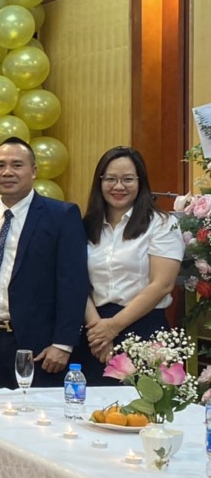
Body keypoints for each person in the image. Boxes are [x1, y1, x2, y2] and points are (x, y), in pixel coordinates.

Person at [0, 137, 90, 389]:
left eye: (17, 165)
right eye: (0, 165)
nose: (7, 172)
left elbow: (73, 282)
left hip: (39, 346)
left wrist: (63, 343)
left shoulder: (61, 215)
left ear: (34, 171)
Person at [77, 146, 183, 380]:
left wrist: (112, 327)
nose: (118, 186)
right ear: (99, 182)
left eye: (127, 179)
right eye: (110, 179)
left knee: (142, 402)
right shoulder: (85, 226)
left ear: (140, 182)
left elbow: (162, 285)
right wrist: (98, 329)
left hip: (144, 328)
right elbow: (75, 280)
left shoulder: (162, 224)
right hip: (94, 332)